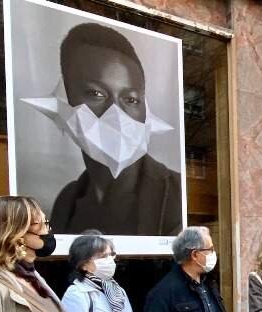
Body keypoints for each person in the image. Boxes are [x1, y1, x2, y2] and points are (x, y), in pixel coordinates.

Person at [44, 22, 182, 236]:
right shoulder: (67, 201)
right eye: (96, 94)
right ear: (65, 100)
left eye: (130, 99)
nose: (117, 115)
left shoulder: (175, 193)